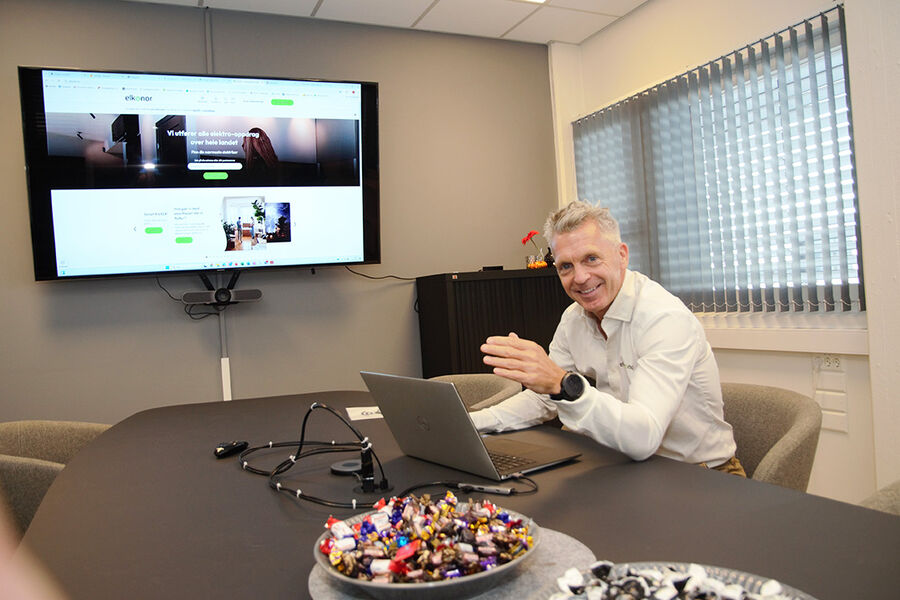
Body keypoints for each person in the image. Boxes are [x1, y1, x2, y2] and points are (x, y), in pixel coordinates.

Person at [471, 201, 744, 475]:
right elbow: (543, 399)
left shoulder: (663, 318)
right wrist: (469, 423)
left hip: (700, 474)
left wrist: (562, 383)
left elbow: (642, 438)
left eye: (591, 258)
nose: (580, 277)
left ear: (622, 255)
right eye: (566, 266)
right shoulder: (573, 319)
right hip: (624, 465)